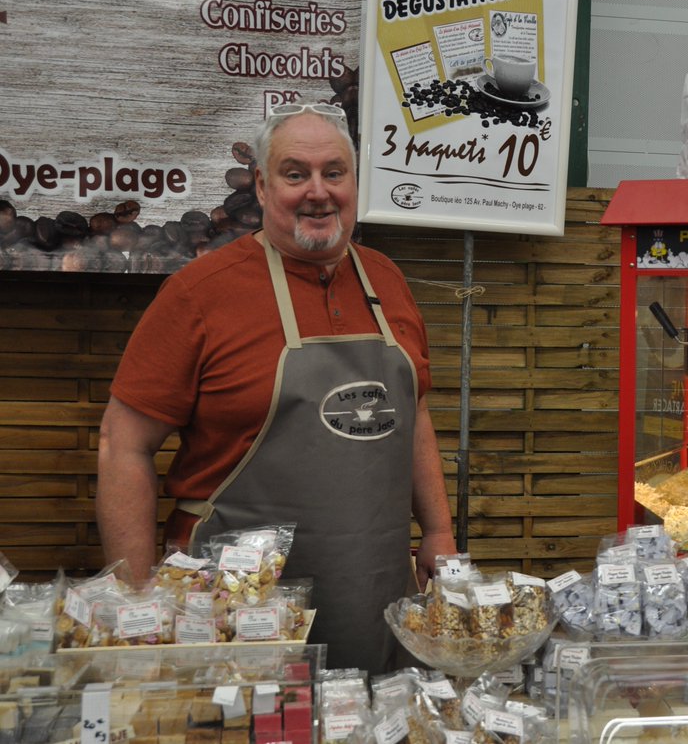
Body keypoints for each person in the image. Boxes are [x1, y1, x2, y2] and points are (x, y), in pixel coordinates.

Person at [96, 103, 456, 673]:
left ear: (354, 183)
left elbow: (413, 417)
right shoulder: (199, 293)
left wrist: (438, 530)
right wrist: (139, 599)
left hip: (375, 592)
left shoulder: (386, 280)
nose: (318, 192)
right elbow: (123, 445)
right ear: (262, 187)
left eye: (334, 173)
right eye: (295, 174)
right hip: (234, 608)